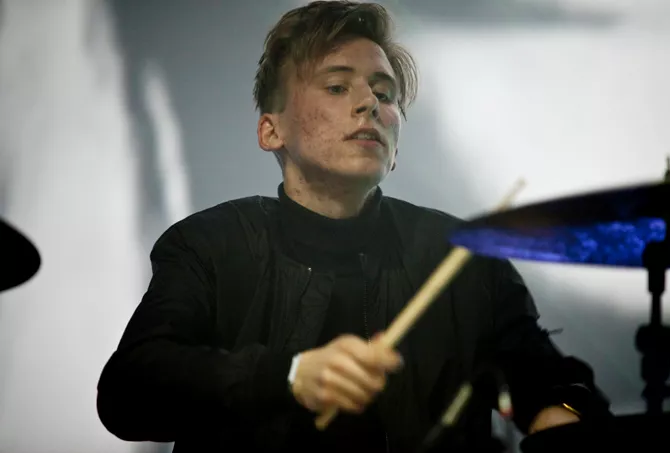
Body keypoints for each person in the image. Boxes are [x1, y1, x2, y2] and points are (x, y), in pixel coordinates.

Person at [96, 2, 611, 452]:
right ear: (271, 130)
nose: (370, 104)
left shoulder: (465, 258)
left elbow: (552, 385)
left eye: (384, 94)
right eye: (337, 86)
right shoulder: (210, 244)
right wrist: (289, 376)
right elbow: (128, 394)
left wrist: (557, 413)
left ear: (395, 145)